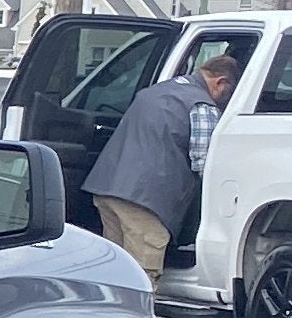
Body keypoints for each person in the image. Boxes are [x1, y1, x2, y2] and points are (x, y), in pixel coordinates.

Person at [83, 32, 248, 282]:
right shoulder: (202, 106)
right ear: (220, 82)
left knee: (116, 271)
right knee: (143, 274)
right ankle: (140, 309)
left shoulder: (156, 91)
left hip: (108, 189)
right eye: (230, 93)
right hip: (145, 200)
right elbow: (205, 164)